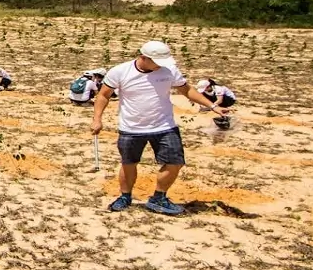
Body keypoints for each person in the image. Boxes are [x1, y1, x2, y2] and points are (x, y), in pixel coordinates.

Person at [93, 41, 227, 216]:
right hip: (131, 127)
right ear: (143, 57)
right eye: (157, 61)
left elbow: (187, 90)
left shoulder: (169, 70)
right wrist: (97, 119)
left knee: (175, 162)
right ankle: (125, 197)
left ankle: (159, 198)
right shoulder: (120, 71)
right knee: (129, 163)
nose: (160, 66)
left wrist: (213, 106)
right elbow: (103, 95)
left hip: (164, 126)